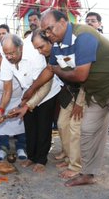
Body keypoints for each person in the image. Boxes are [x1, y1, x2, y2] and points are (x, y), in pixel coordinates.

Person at [23, 10, 109, 199]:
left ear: (64, 21)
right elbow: (49, 70)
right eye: (44, 31)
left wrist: (58, 70)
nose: (47, 34)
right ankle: (88, 174)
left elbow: (79, 76)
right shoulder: (57, 45)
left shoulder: (83, 35)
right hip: (96, 92)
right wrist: (31, 90)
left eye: (49, 28)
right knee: (87, 131)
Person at [0, 34, 62, 173]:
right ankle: (31, 156)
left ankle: (41, 160)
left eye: (12, 53)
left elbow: (43, 84)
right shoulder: (6, 60)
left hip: (46, 92)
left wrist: (25, 105)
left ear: (20, 48)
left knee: (43, 126)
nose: (9, 57)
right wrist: (1, 109)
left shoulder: (34, 54)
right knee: (30, 125)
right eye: (6, 54)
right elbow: (7, 89)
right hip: (28, 92)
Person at [31, 30, 83, 179]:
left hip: (84, 92)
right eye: (37, 49)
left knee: (75, 127)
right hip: (68, 93)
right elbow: (47, 82)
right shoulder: (51, 57)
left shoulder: (69, 49)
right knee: (61, 124)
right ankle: (68, 158)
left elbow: (86, 76)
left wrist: (79, 102)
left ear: (50, 42)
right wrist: (30, 103)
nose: (40, 52)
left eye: (41, 47)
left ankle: (76, 166)